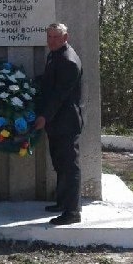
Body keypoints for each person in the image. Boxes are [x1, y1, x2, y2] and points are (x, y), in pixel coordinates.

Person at [34, 23, 84, 225]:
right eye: (49, 37)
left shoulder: (68, 60)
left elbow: (59, 95)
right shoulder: (55, 54)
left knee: (69, 166)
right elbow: (49, 81)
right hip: (57, 122)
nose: (51, 40)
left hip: (66, 121)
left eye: (55, 37)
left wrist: (44, 116)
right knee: (60, 164)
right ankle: (63, 202)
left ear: (65, 37)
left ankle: (72, 212)